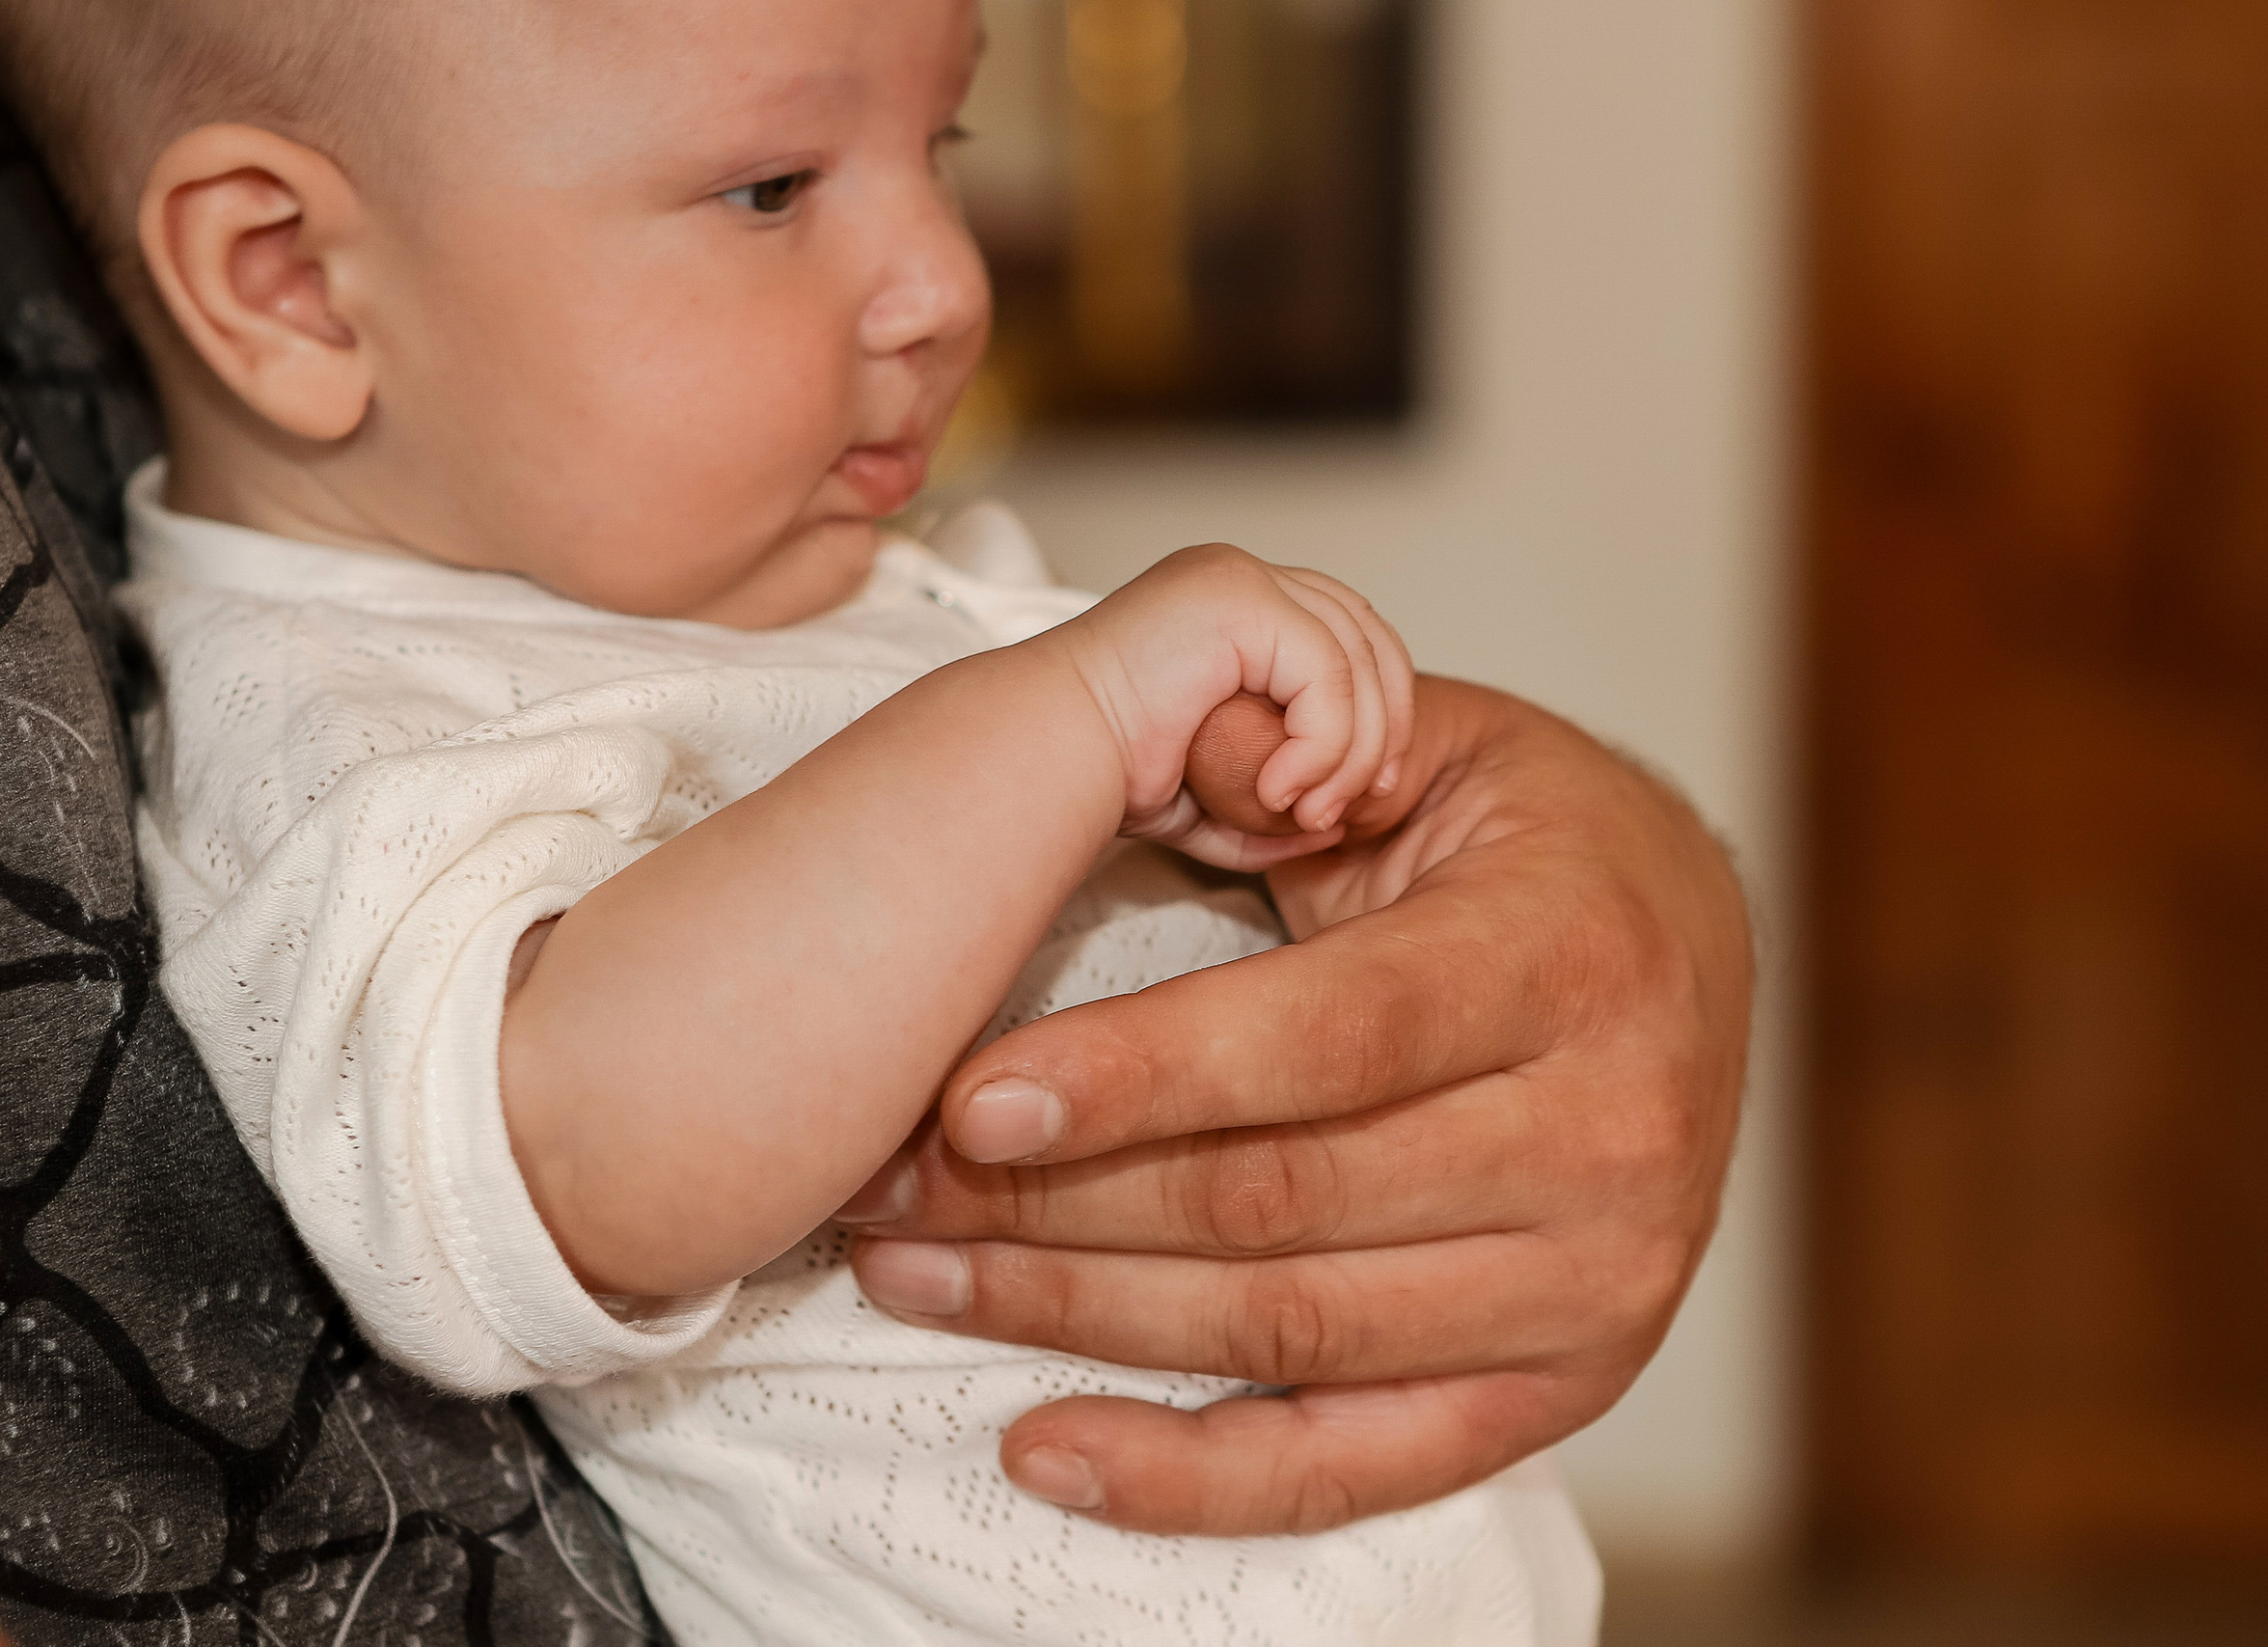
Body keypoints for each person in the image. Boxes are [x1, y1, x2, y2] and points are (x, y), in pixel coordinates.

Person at [0, 0, 1755, 1639]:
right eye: (771, 188)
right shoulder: (338, 716)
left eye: (950, 146)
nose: (943, 286)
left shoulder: (799, 576)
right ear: (291, 281)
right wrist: (1073, 716)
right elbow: (561, 1166)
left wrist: (1270, 785)